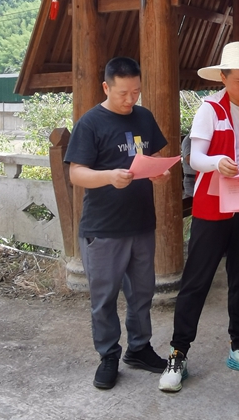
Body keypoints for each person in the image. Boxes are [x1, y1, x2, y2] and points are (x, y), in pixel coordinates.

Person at [158, 41, 239, 392]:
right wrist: (216, 162)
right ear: (223, 78)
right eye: (238, 80)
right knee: (197, 280)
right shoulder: (210, 109)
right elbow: (195, 157)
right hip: (213, 203)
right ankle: (178, 352)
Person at [64, 56, 170, 390]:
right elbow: (76, 173)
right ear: (106, 87)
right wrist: (109, 176)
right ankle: (108, 354)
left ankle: (139, 348)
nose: (130, 99)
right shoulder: (90, 123)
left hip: (141, 222)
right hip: (104, 227)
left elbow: (152, 157)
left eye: (136, 91)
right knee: (104, 297)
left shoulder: (144, 117)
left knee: (142, 292)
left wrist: (159, 172)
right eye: (123, 93)